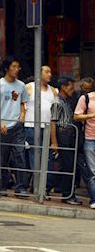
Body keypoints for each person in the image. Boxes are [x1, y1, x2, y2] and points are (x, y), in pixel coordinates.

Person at [0, 57, 31, 197]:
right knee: (3, 159)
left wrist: (22, 117)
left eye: (18, 66)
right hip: (2, 126)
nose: (17, 69)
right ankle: (2, 187)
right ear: (7, 68)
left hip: (17, 126)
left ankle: (21, 188)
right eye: (14, 66)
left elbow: (24, 103)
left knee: (20, 157)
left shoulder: (21, 85)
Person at [49, 76, 82, 204]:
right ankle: (68, 195)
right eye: (70, 87)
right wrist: (54, 142)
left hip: (69, 135)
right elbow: (53, 123)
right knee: (67, 166)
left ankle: (58, 190)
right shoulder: (57, 102)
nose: (72, 90)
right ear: (63, 87)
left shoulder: (66, 101)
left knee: (67, 166)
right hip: (63, 135)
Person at [24, 65, 58, 180]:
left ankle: (44, 185)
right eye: (47, 72)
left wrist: (54, 140)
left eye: (50, 72)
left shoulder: (53, 91)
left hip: (47, 127)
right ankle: (37, 183)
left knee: (47, 156)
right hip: (31, 126)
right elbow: (22, 106)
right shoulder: (29, 87)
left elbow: (54, 114)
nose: (50, 74)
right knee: (35, 154)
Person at [73, 81, 95, 208]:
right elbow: (76, 116)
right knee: (92, 172)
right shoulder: (86, 98)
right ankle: (93, 199)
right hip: (90, 139)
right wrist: (92, 115)